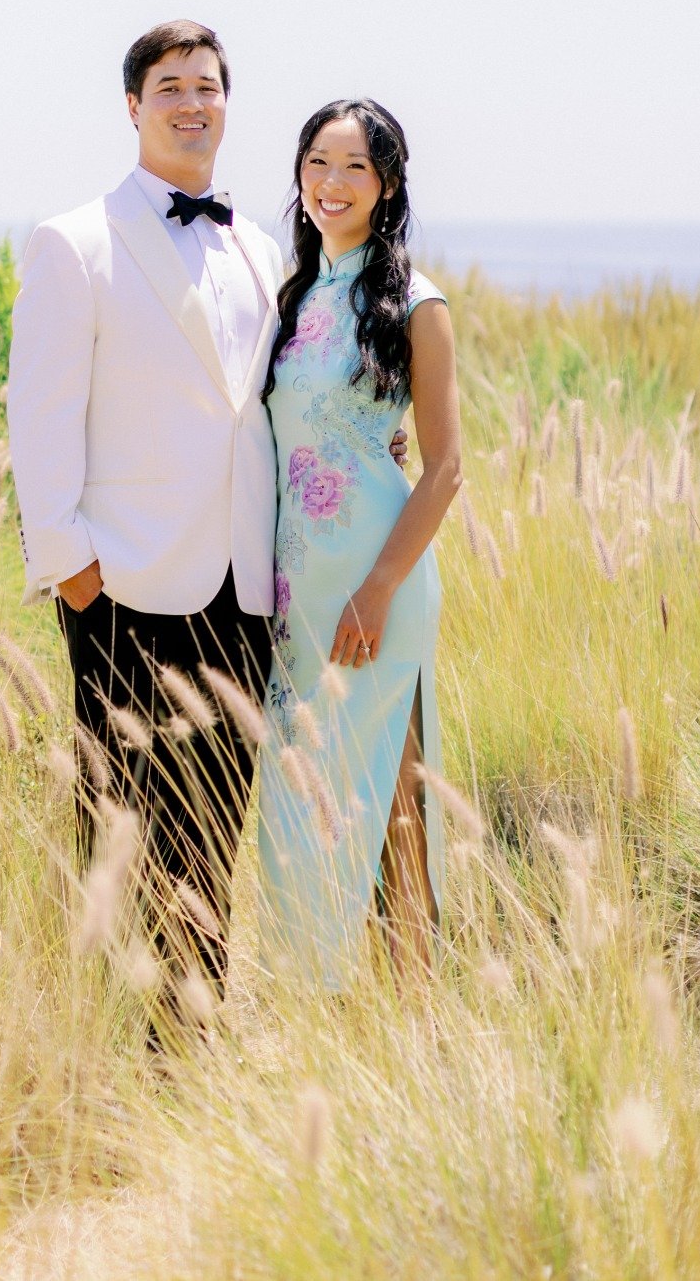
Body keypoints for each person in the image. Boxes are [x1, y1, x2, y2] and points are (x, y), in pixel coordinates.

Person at [7, 20, 280, 1041]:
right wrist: (74, 571)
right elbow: (35, 414)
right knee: (122, 829)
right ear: (134, 106)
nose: (191, 103)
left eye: (207, 86)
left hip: (240, 588)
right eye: (170, 86)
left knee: (216, 829)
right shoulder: (75, 240)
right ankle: (116, 1046)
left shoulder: (260, 246)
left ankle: (191, 1042)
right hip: (123, 583)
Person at [258, 98, 462, 991]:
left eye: (354, 168)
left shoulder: (417, 303)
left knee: (391, 801)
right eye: (316, 163)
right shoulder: (291, 296)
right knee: (299, 801)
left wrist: (377, 588)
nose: (330, 184)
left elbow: (445, 468)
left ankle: (411, 1017)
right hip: (295, 592)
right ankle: (318, 1003)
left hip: (380, 586)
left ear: (386, 187)